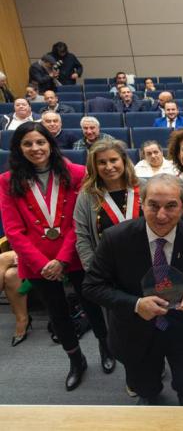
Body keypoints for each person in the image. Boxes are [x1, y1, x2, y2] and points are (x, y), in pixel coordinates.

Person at [83, 174, 183, 405]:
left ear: (182, 207)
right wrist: (136, 304)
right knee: (146, 387)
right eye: (153, 205)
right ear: (142, 204)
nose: (161, 215)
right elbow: (92, 286)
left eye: (171, 206)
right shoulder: (115, 238)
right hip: (135, 328)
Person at [0, 122, 100, 391]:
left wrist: (63, 259)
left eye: (40, 142)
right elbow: (13, 230)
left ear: (50, 144)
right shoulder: (8, 181)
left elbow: (79, 223)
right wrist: (44, 264)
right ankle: (76, 360)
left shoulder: (77, 173)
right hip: (38, 263)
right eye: (28, 144)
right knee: (58, 314)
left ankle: (107, 350)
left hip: (74, 252)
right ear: (19, 148)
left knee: (93, 306)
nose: (35, 148)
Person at [74, 140, 144, 375]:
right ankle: (132, 373)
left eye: (113, 160)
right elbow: (82, 236)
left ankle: (153, 363)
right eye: (101, 162)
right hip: (111, 275)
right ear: (94, 166)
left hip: (149, 270)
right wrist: (96, 273)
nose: (109, 166)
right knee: (121, 327)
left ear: (124, 160)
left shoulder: (143, 187)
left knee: (153, 321)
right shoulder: (87, 196)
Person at [0, 250, 31, 346]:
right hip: (20, 250)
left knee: (3, 259)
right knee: (11, 275)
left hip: (49, 252)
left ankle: (22, 319)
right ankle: (22, 318)